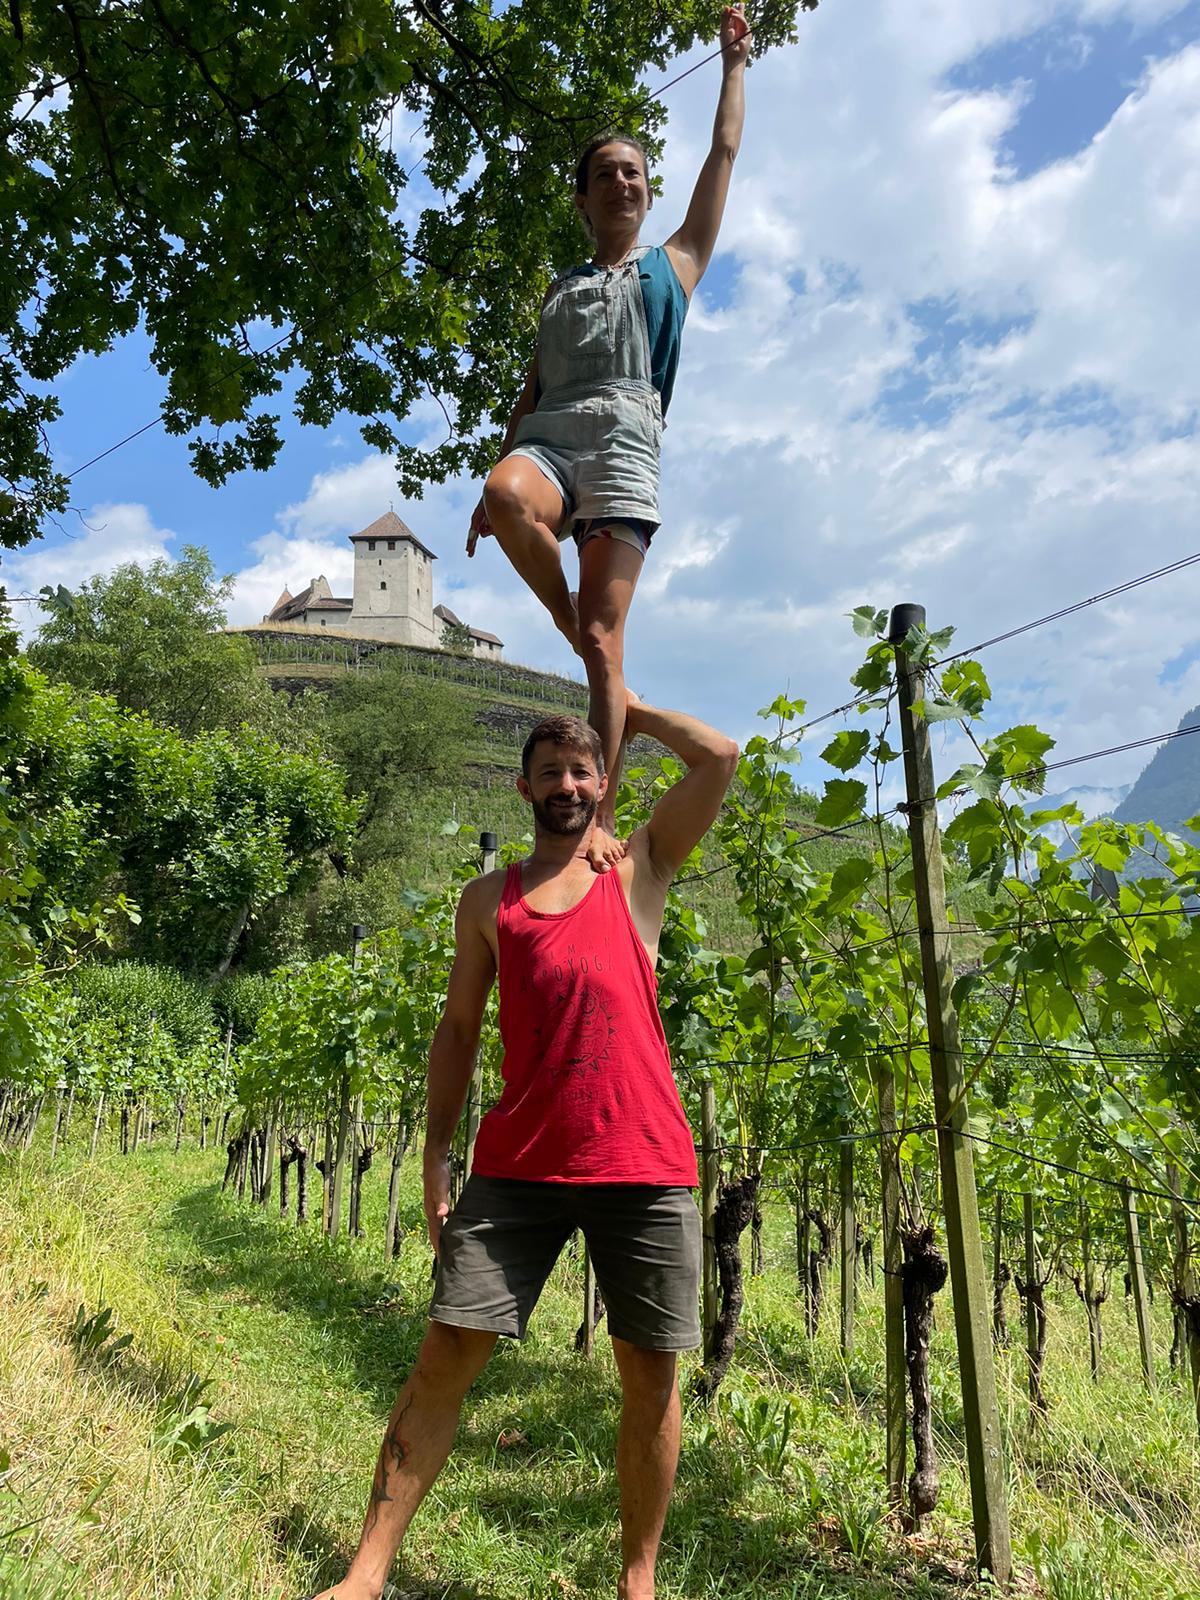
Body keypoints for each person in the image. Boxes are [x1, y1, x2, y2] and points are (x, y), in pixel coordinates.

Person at [305, 692, 739, 1600]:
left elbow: (720, 758)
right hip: (517, 1165)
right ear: (524, 789)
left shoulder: (640, 869)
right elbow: (459, 1031)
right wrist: (436, 1157)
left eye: (581, 772)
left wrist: (630, 708)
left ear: (601, 784)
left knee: (649, 1377)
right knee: (443, 1358)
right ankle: (365, 1574)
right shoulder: (486, 902)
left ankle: (637, 1583)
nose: (566, 786)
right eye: (550, 774)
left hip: (643, 1161)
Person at [466, 5, 751, 874]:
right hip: (551, 435)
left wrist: (733, 66)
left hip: (627, 444)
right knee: (508, 496)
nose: (621, 183)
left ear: (647, 192)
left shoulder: (674, 265)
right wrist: (492, 487)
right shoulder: (558, 288)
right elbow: (532, 389)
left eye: (633, 173)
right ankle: (590, 651)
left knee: (602, 643)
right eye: (605, 174)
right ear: (584, 198)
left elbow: (723, 156)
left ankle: (601, 815)